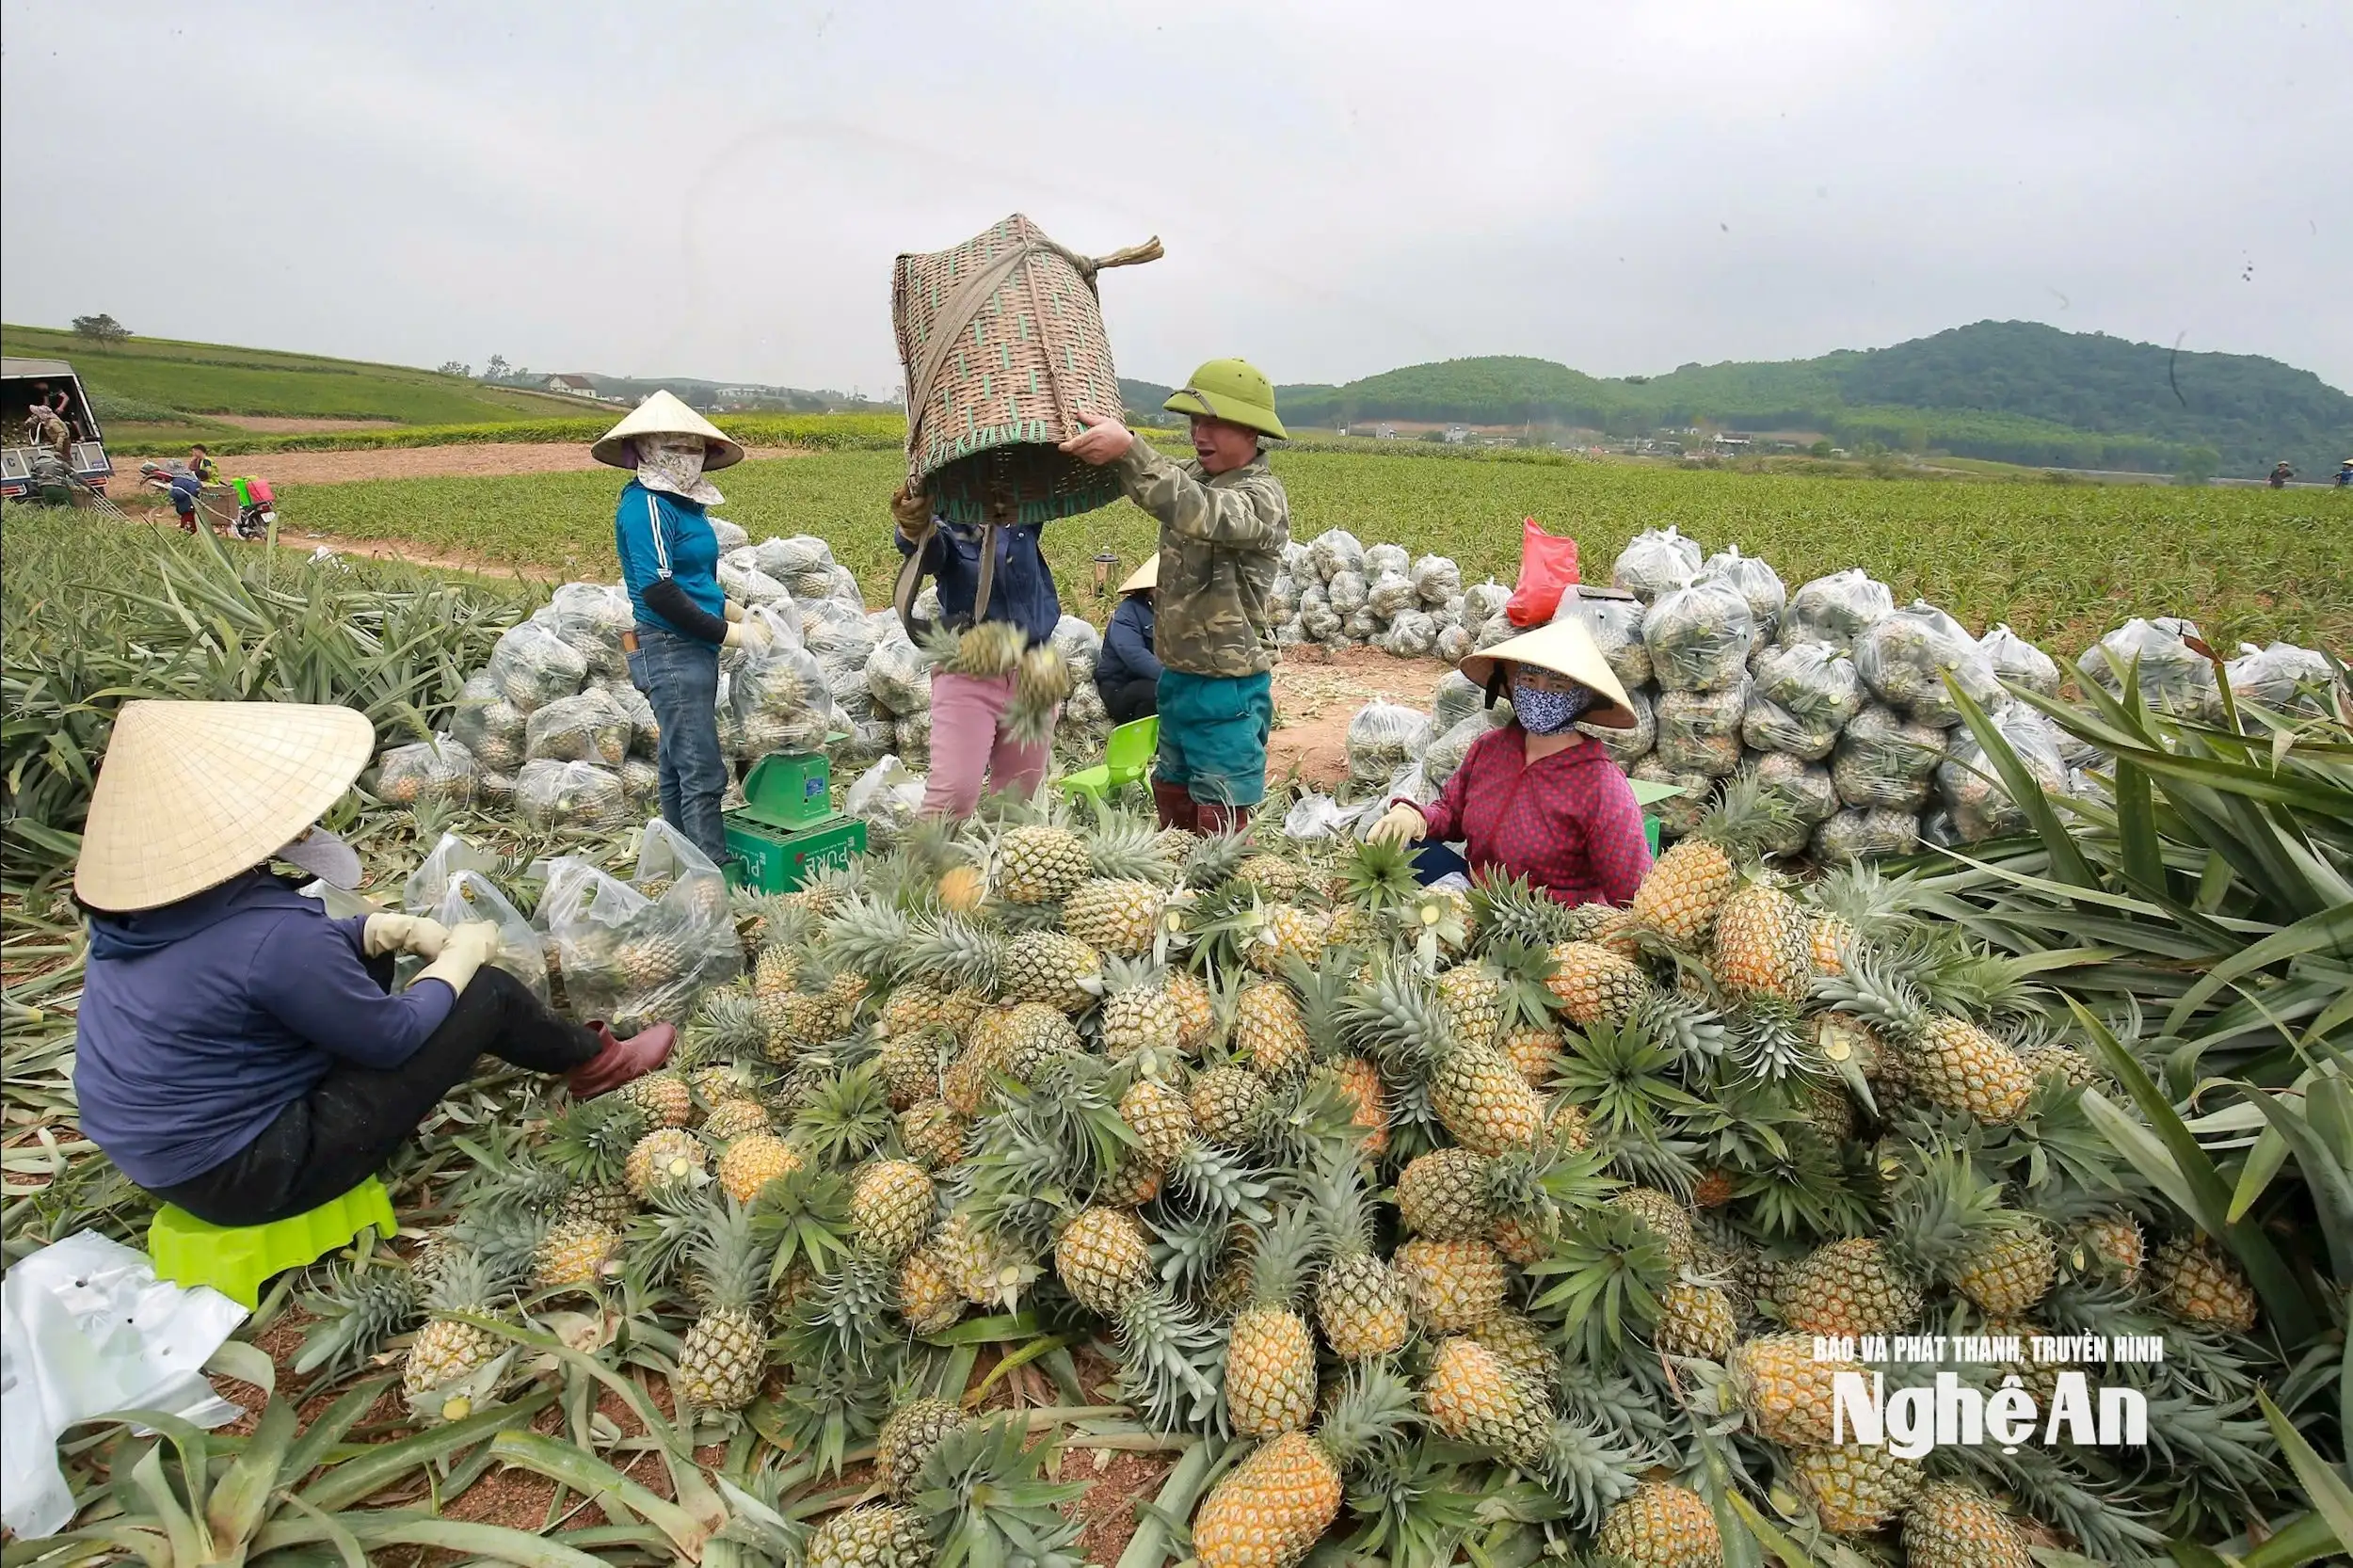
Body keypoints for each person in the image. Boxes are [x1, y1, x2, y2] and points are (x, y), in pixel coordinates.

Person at [72, 700, 673, 1228]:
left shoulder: (144, 913)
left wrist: (370, 930)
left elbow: (250, 968)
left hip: (162, 1157)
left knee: (372, 959)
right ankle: (599, 1063)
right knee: (486, 993)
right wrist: (460, 958)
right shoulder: (275, 936)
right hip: (258, 1171)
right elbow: (390, 1038)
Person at [1061, 359, 1290, 832]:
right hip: (1178, 675)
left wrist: (1130, 449)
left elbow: (1194, 506)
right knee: (1173, 784)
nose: (1199, 434)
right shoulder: (1197, 476)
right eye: (1194, 422)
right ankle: (1178, 866)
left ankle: (1219, 878)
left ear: (1251, 431)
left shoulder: (1261, 496)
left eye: (1214, 423)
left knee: (1222, 799)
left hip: (1229, 684)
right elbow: (1157, 479)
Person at [1369, 618, 1653, 907]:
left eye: (1557, 686)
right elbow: (1452, 813)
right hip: (1476, 892)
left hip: (1544, 921)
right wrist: (1415, 817)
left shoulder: (1602, 786)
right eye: (1529, 681)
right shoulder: (1490, 748)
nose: (1539, 694)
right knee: (1396, 846)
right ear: (1513, 683)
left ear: (1583, 699)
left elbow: (1631, 892)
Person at [600, 390, 767, 866]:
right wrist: (729, 634)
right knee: (701, 766)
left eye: (696, 449)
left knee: (678, 761)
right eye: (676, 447)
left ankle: (682, 861)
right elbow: (659, 590)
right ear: (647, 448)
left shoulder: (684, 505)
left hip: (694, 647)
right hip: (670, 647)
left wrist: (736, 612)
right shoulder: (647, 506)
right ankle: (712, 870)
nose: (689, 457)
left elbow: (693, 580)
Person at [888, 478, 1065, 820]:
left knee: (1019, 797)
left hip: (1034, 667)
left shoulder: (1020, 506)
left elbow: (1052, 486)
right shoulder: (948, 511)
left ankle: (1002, 851)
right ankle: (928, 855)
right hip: (970, 667)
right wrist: (912, 528)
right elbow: (932, 555)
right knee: (953, 794)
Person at [1095, 555, 1162, 727]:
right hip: (1120, 685)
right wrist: (1173, 677)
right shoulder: (1127, 612)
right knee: (1159, 693)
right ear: (1152, 587)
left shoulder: (1172, 612)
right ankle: (1141, 737)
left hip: (1154, 679)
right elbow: (1135, 655)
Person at [140, 459, 206, 533]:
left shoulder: (179, 480)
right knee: (189, 526)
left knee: (189, 528)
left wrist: (170, 491)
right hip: (193, 506)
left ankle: (181, 538)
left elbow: (179, 494)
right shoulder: (192, 479)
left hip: (187, 507)